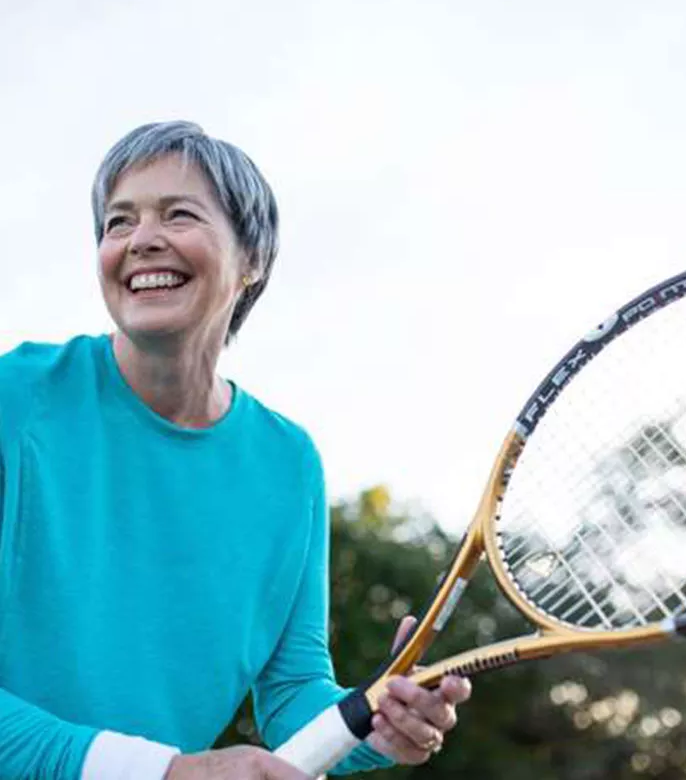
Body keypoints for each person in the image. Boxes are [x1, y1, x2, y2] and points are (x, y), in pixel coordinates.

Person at [0, 121, 471, 779]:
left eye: (178, 214)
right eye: (118, 222)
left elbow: (294, 692)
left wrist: (378, 724)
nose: (142, 240)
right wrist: (165, 771)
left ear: (251, 260)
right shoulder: (13, 397)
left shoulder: (288, 464)